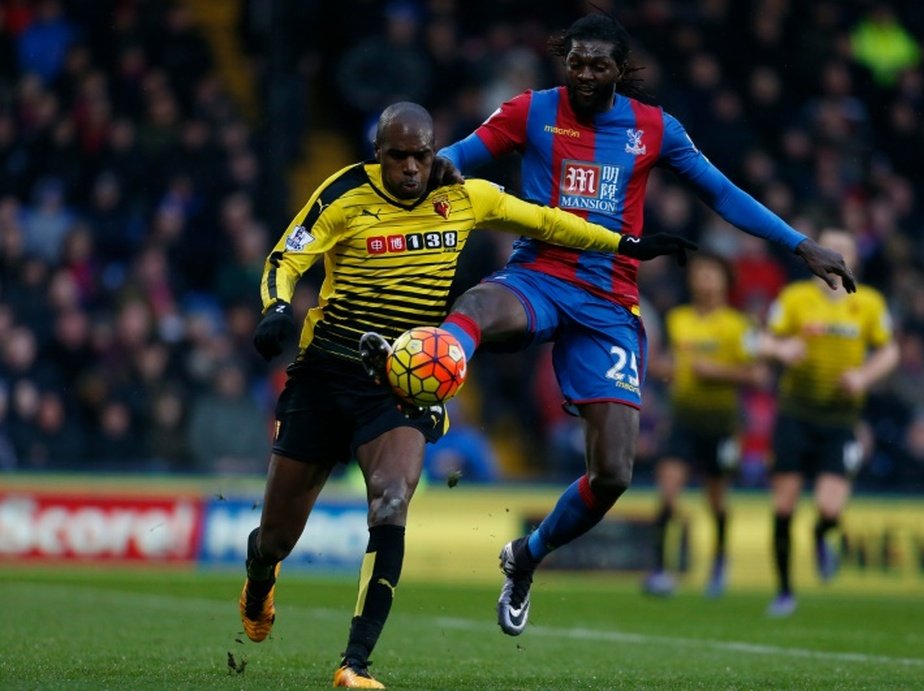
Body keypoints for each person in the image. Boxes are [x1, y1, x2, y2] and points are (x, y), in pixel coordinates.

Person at [420, 13, 855, 637]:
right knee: (479, 309)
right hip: (540, 274)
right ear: (563, 62)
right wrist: (440, 167)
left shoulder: (654, 128)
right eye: (577, 63)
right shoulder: (529, 111)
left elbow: (722, 192)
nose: (587, 75)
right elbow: (460, 156)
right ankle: (429, 385)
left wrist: (799, 243)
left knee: (614, 473)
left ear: (621, 70)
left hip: (608, 301)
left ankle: (525, 556)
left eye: (600, 65)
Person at [238, 101, 698, 689]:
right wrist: (277, 305)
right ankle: (259, 578)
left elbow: (546, 221)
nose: (410, 167)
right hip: (326, 375)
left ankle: (355, 665)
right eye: (397, 156)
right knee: (276, 537)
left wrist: (626, 244)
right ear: (378, 155)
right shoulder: (344, 192)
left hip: (399, 379)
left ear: (436, 153)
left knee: (392, 499)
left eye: (421, 156)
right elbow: (288, 254)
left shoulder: (466, 196)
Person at [759, 228, 899, 617]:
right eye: (829, 248)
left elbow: (889, 351)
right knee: (784, 505)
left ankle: (823, 538)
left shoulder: (868, 302)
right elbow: (763, 341)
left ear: (854, 257)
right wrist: (782, 348)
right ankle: (784, 591)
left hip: (840, 418)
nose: (835, 254)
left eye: (844, 249)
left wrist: (863, 377)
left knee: (830, 508)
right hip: (796, 413)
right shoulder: (794, 298)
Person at [643, 253, 767, 598]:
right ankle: (658, 570)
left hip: (722, 424)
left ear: (725, 281)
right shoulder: (678, 319)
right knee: (667, 494)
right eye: (699, 274)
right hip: (682, 420)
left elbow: (758, 375)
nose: (704, 280)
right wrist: (663, 367)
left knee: (716, 500)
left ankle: (718, 563)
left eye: (711, 274)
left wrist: (715, 371)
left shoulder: (740, 326)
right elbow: (662, 365)